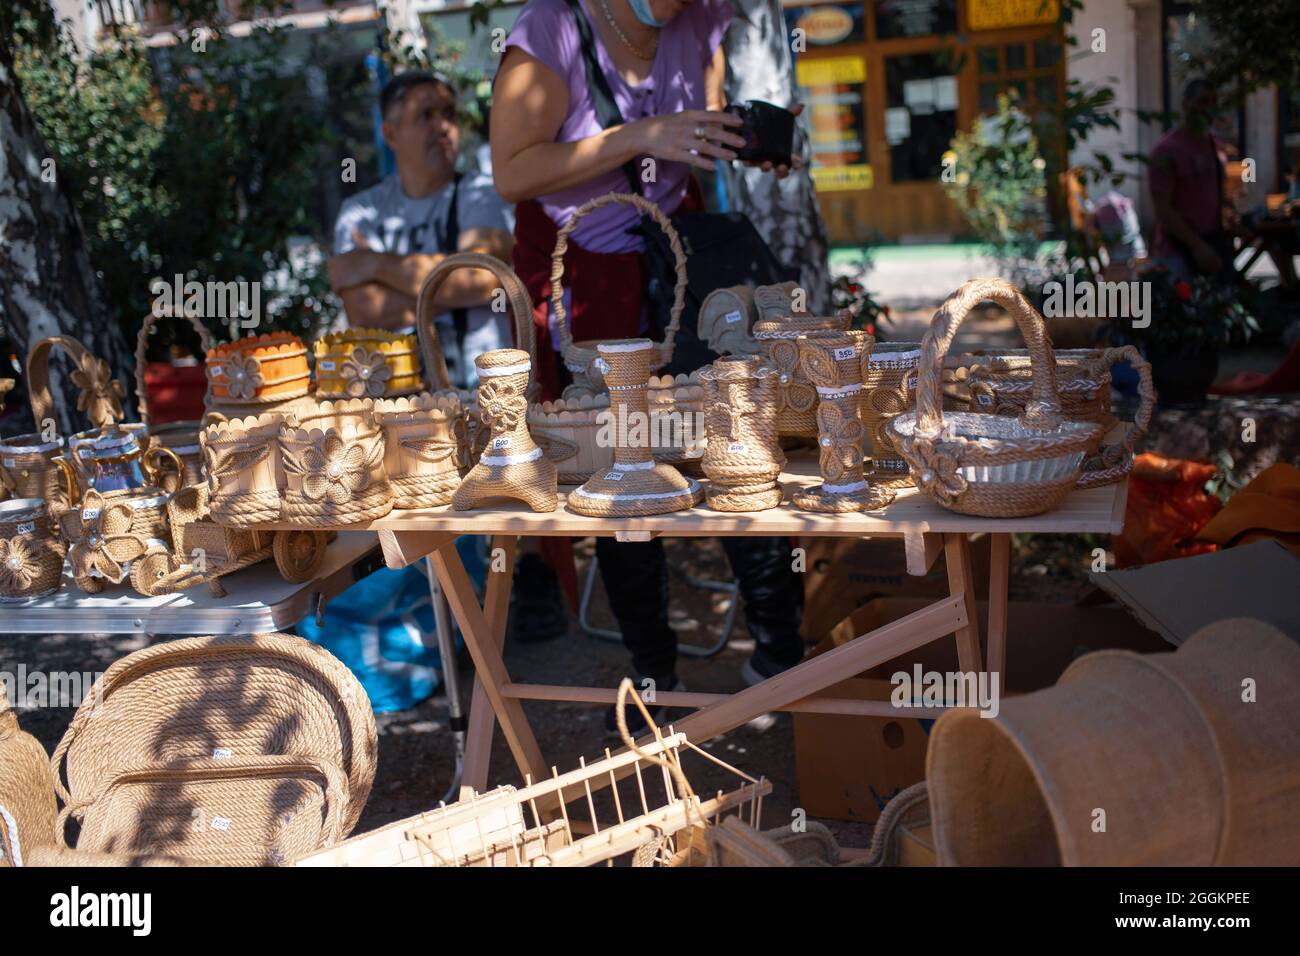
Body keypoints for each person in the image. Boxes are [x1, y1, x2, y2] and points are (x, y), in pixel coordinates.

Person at [493, 0, 807, 733]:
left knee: (735, 430)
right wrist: (640, 134)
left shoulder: (703, 18)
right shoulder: (552, 28)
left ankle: (779, 654)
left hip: (680, 255)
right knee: (620, 460)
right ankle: (652, 677)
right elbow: (512, 173)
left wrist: (743, 139)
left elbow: (688, 140)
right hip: (581, 273)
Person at [327, 70, 515, 388]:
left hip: (486, 390)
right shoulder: (360, 211)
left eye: (449, 114)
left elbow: (484, 281)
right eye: (426, 115)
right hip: (397, 395)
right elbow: (363, 309)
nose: (443, 127)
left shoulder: (483, 194)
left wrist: (373, 263)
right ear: (390, 134)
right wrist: (455, 291)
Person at [1148, 79, 1234, 283]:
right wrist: (1197, 246)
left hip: (1213, 243)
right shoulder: (1167, 150)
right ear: (1187, 104)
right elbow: (1163, 210)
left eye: (1213, 102)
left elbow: (1217, 194)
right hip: (1178, 252)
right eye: (1203, 101)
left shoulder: (1215, 146)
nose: (1209, 108)